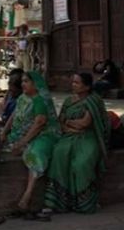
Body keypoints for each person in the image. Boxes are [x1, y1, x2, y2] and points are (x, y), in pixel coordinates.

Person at [44, 72, 111, 214]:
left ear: (86, 87)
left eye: (77, 83)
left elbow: (84, 123)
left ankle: (85, 203)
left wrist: (69, 123)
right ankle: (60, 202)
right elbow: (60, 120)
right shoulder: (68, 101)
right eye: (73, 82)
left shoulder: (94, 100)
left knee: (81, 164)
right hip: (69, 135)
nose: (73, 85)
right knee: (58, 155)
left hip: (88, 137)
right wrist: (68, 126)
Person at [3, 71, 59, 212]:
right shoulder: (22, 98)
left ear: (36, 84)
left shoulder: (40, 100)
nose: (23, 84)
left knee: (34, 154)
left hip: (44, 135)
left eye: (27, 81)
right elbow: (14, 115)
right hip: (21, 134)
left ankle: (27, 196)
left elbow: (39, 125)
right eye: (22, 81)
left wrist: (22, 143)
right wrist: (4, 132)